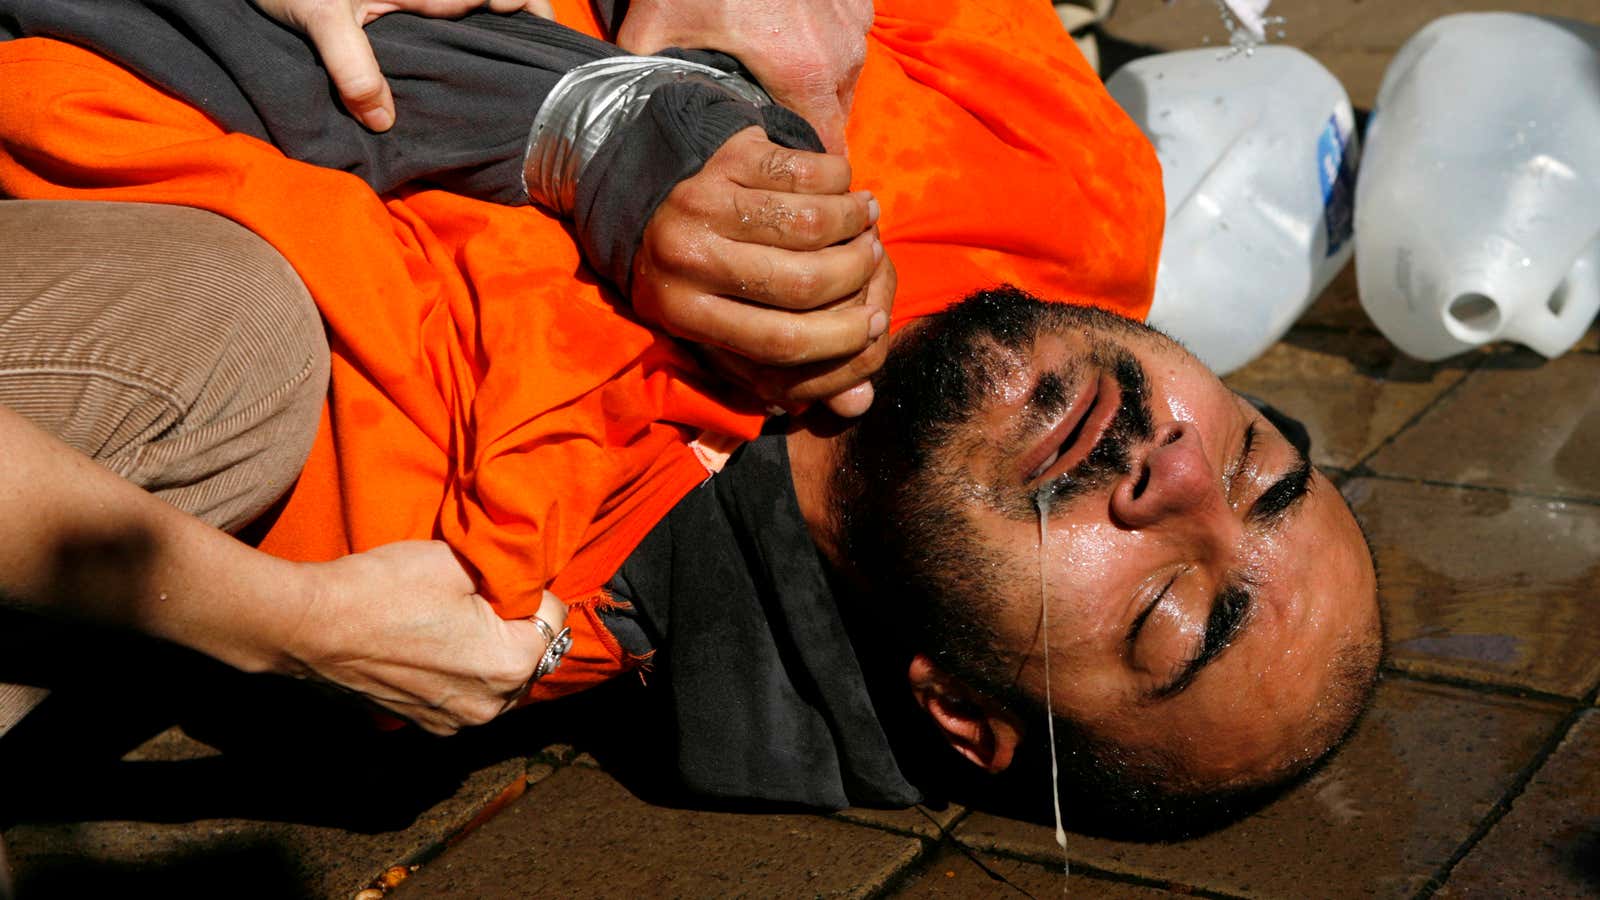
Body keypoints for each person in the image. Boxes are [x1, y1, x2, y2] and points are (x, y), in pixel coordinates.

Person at [0, 0, 1379, 829]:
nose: (1171, 476)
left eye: (1166, 611)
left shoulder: (483, 550)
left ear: (959, 715)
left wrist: (602, 125)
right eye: (1255, 457)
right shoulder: (1077, 190)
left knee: (219, 359)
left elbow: (132, 55)